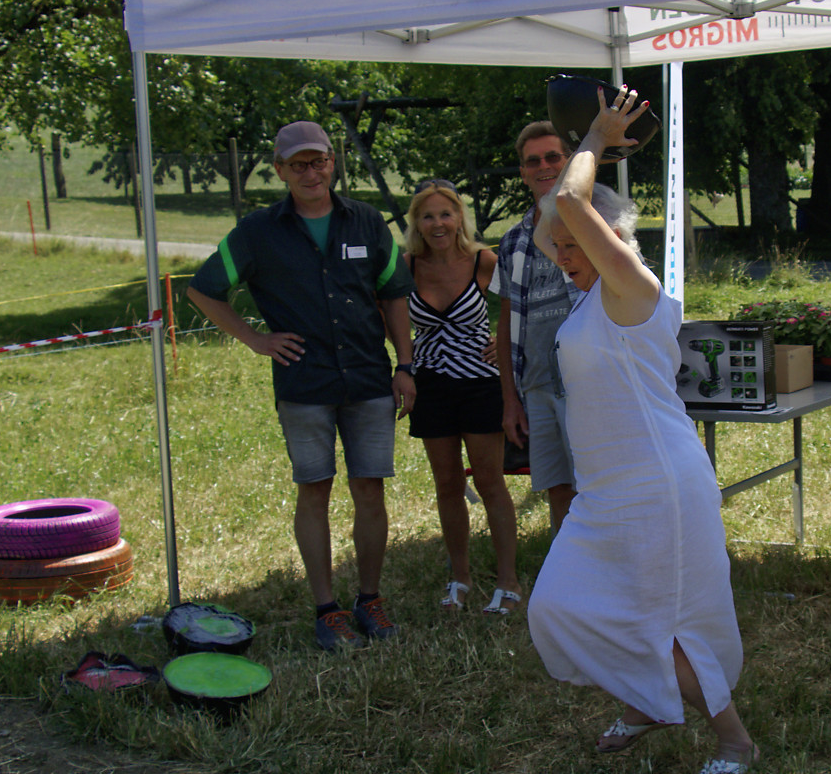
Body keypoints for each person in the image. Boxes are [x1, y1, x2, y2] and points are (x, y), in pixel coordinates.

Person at [527, 88, 758, 774]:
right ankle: (645, 703)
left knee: (667, 619)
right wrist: (576, 170)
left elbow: (571, 201)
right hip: (606, 490)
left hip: (658, 484)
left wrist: (596, 136)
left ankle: (734, 741)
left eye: (574, 243)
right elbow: (558, 213)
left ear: (612, 238)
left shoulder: (633, 287)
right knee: (559, 605)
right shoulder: (590, 297)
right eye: (557, 246)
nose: (561, 254)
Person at [187, 120, 413, 653]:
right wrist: (254, 339)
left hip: (368, 377)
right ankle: (327, 610)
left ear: (333, 162)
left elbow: (394, 295)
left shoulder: (366, 222)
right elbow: (203, 290)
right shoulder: (257, 231)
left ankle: (370, 599)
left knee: (370, 489)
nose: (312, 173)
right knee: (314, 490)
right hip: (304, 383)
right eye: (299, 165)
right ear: (280, 170)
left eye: (320, 161)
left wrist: (405, 364)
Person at [404, 178, 521, 614]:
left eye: (445, 214)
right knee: (448, 484)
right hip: (430, 385)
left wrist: (503, 342)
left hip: (480, 383)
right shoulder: (406, 267)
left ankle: (508, 581)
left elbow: (518, 305)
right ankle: (460, 578)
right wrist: (404, 355)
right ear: (417, 223)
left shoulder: (482, 260)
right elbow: (384, 313)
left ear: (459, 218)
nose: (438, 224)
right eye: (428, 216)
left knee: (490, 481)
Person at [494, 121, 577, 531]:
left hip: (585, 385)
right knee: (557, 488)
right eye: (533, 161)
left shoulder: (595, 224)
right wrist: (510, 399)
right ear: (523, 173)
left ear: (569, 162)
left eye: (552, 157)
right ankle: (568, 564)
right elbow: (506, 324)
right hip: (538, 386)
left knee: (596, 487)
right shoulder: (512, 241)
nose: (543, 166)